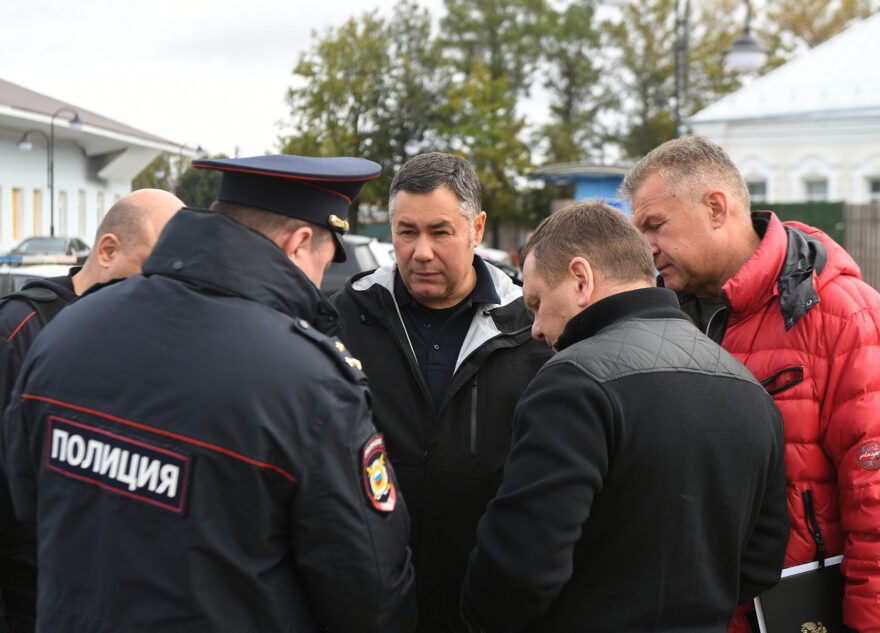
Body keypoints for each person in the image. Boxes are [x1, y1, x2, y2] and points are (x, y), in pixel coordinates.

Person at [0, 155, 416, 633]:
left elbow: (28, 502)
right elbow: (370, 593)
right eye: (323, 264)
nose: (320, 284)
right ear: (299, 243)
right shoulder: (310, 383)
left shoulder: (66, 329)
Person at [460, 201, 790, 633]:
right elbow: (761, 562)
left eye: (537, 302)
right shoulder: (748, 387)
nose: (536, 328)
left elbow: (518, 569)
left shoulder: (571, 382)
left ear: (581, 279)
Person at [622, 135, 880, 633]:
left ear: (716, 208)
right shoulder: (657, 319)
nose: (646, 248)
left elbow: (873, 498)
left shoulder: (844, 315)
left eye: (655, 225)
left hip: (801, 613)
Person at [330, 152, 552, 632]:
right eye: (407, 232)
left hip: (484, 606)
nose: (422, 252)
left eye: (440, 232)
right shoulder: (343, 320)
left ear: (477, 229)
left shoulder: (531, 331)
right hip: (367, 605)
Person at [0, 187, 182, 633]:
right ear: (108, 250)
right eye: (153, 267)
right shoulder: (20, 329)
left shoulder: (147, 335)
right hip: (28, 593)